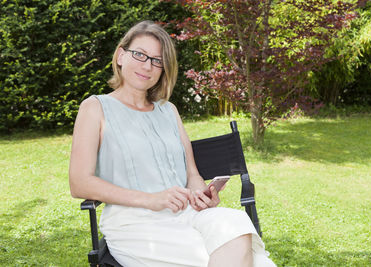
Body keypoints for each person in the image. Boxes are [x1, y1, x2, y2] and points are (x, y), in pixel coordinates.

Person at [69, 20, 276, 267]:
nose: (148, 66)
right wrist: (150, 199)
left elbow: (192, 174)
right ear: (120, 56)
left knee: (236, 224)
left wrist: (201, 195)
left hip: (186, 215)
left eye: (157, 60)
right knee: (251, 261)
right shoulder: (95, 108)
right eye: (140, 55)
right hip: (135, 225)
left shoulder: (169, 111)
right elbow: (79, 183)